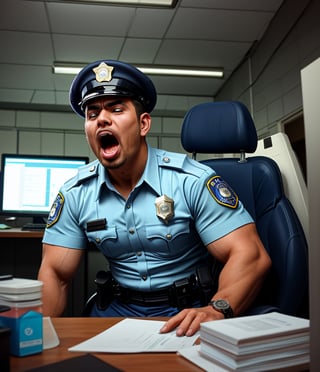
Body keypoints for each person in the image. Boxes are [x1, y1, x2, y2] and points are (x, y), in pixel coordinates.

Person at [37, 59, 271, 337]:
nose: (101, 119)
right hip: (115, 311)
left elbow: (250, 255)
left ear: (143, 123)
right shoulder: (75, 193)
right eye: (92, 113)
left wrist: (217, 309)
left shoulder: (191, 180)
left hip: (186, 311)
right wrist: (35, 335)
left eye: (116, 109)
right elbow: (55, 274)